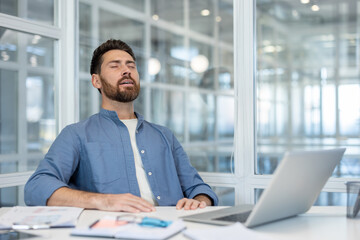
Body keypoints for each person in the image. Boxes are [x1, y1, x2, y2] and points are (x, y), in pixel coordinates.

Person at [24, 39, 218, 213]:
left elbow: (198, 188)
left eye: (131, 66)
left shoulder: (164, 135)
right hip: (114, 232)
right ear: (96, 80)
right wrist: (103, 201)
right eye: (115, 66)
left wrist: (200, 201)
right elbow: (36, 187)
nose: (126, 70)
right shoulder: (76, 134)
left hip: (175, 229)